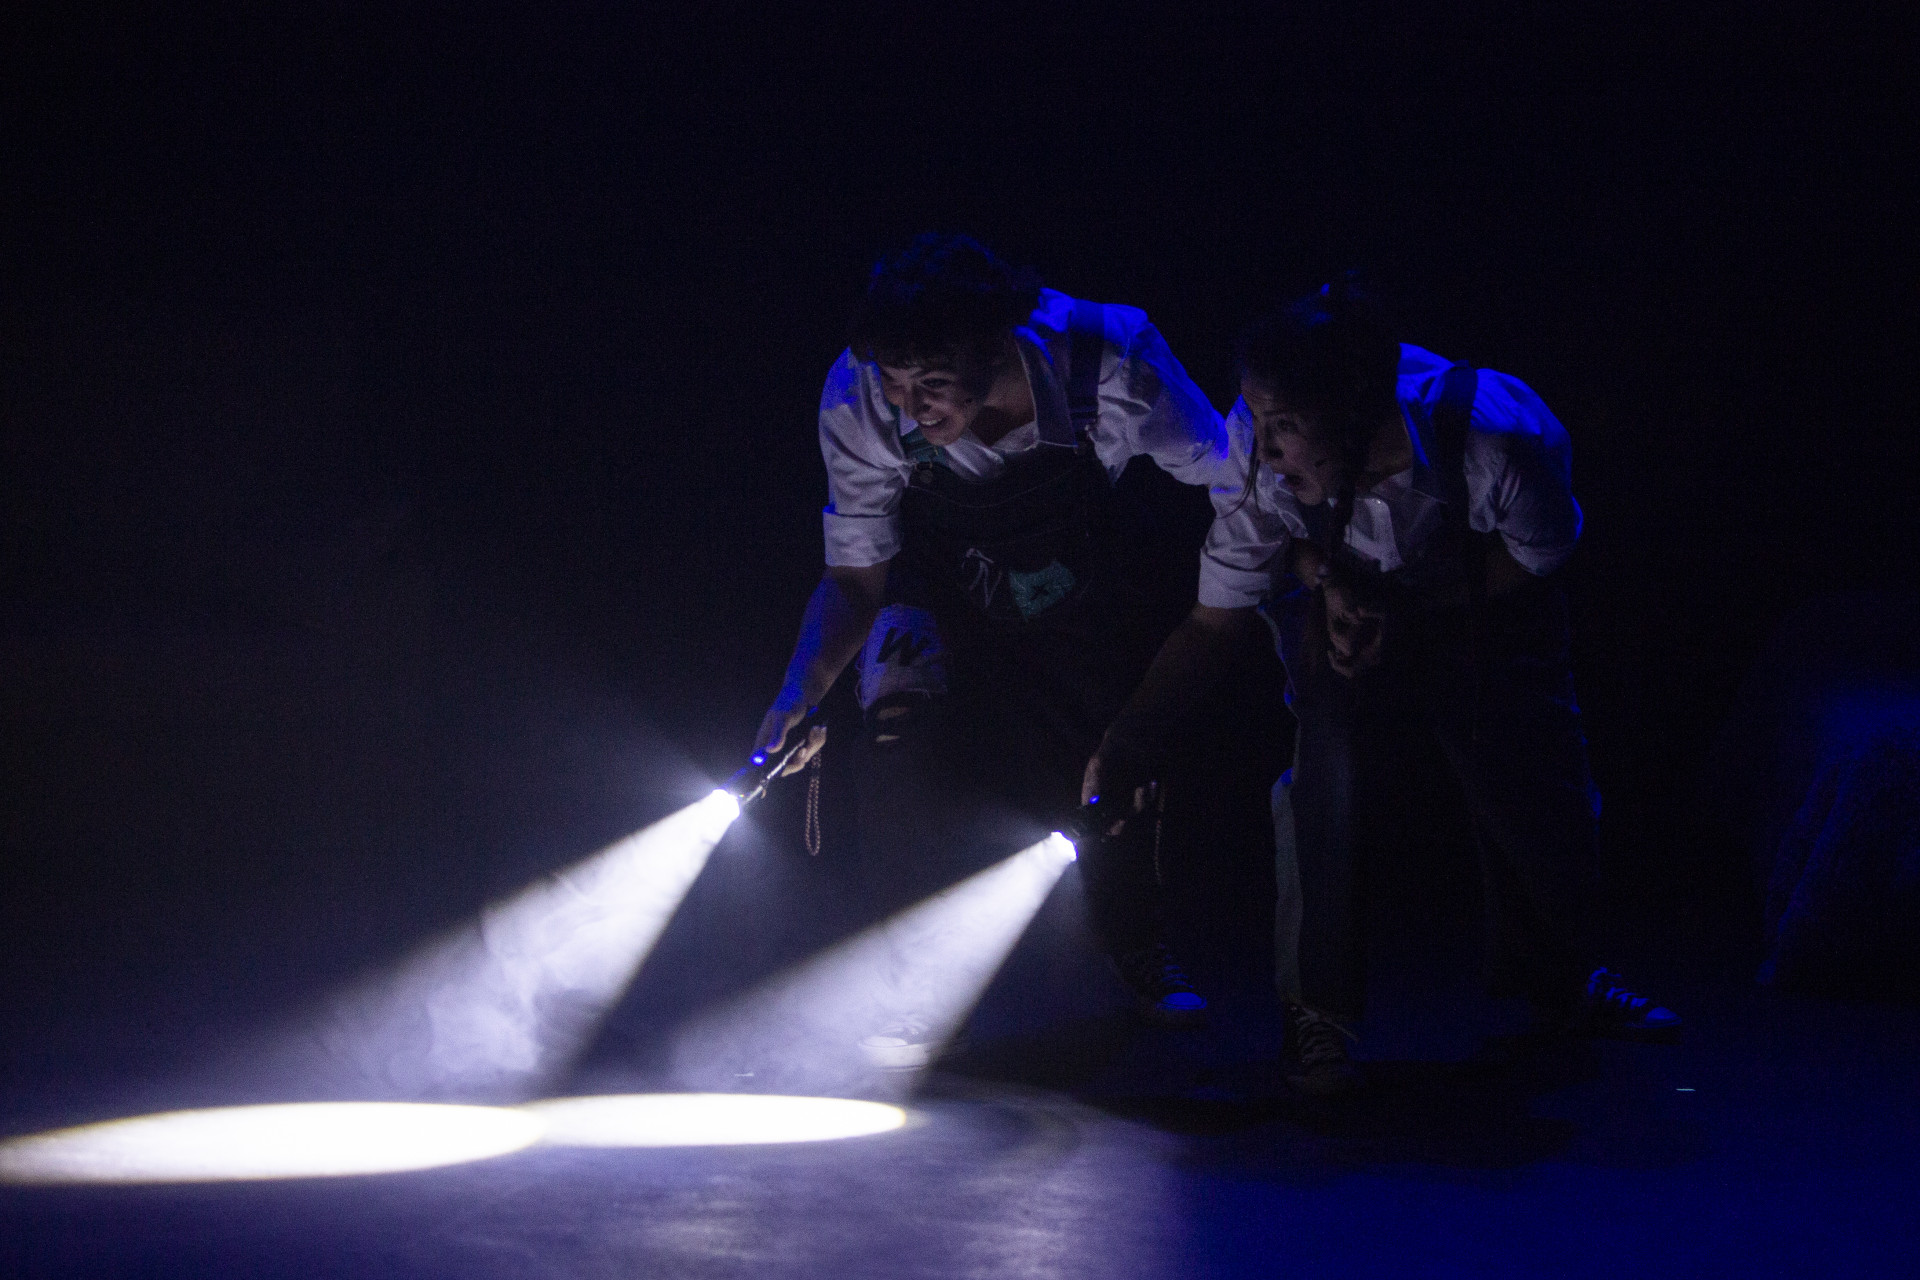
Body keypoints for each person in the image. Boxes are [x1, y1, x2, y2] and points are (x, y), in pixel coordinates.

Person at [1096, 278, 1679, 1096]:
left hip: (1483, 597)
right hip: (1341, 594)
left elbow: (1539, 556)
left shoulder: (1494, 441)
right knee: (1326, 771)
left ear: (1350, 415)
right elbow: (1216, 617)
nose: (1262, 445)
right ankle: (1317, 1014)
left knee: (1533, 778)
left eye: (1284, 424)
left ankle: (1566, 976)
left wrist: (1408, 612)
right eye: (1259, 418)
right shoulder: (1260, 452)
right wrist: (1130, 739)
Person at [754, 234, 1273, 1063]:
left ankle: (1137, 941)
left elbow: (1234, 475)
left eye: (931, 381)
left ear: (994, 343)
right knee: (895, 731)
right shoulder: (859, 391)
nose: (909, 406)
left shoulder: (1111, 360)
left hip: (1077, 580)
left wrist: (1284, 574)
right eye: (894, 381)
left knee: (1113, 761)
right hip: (939, 581)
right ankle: (922, 984)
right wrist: (800, 690)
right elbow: (854, 576)